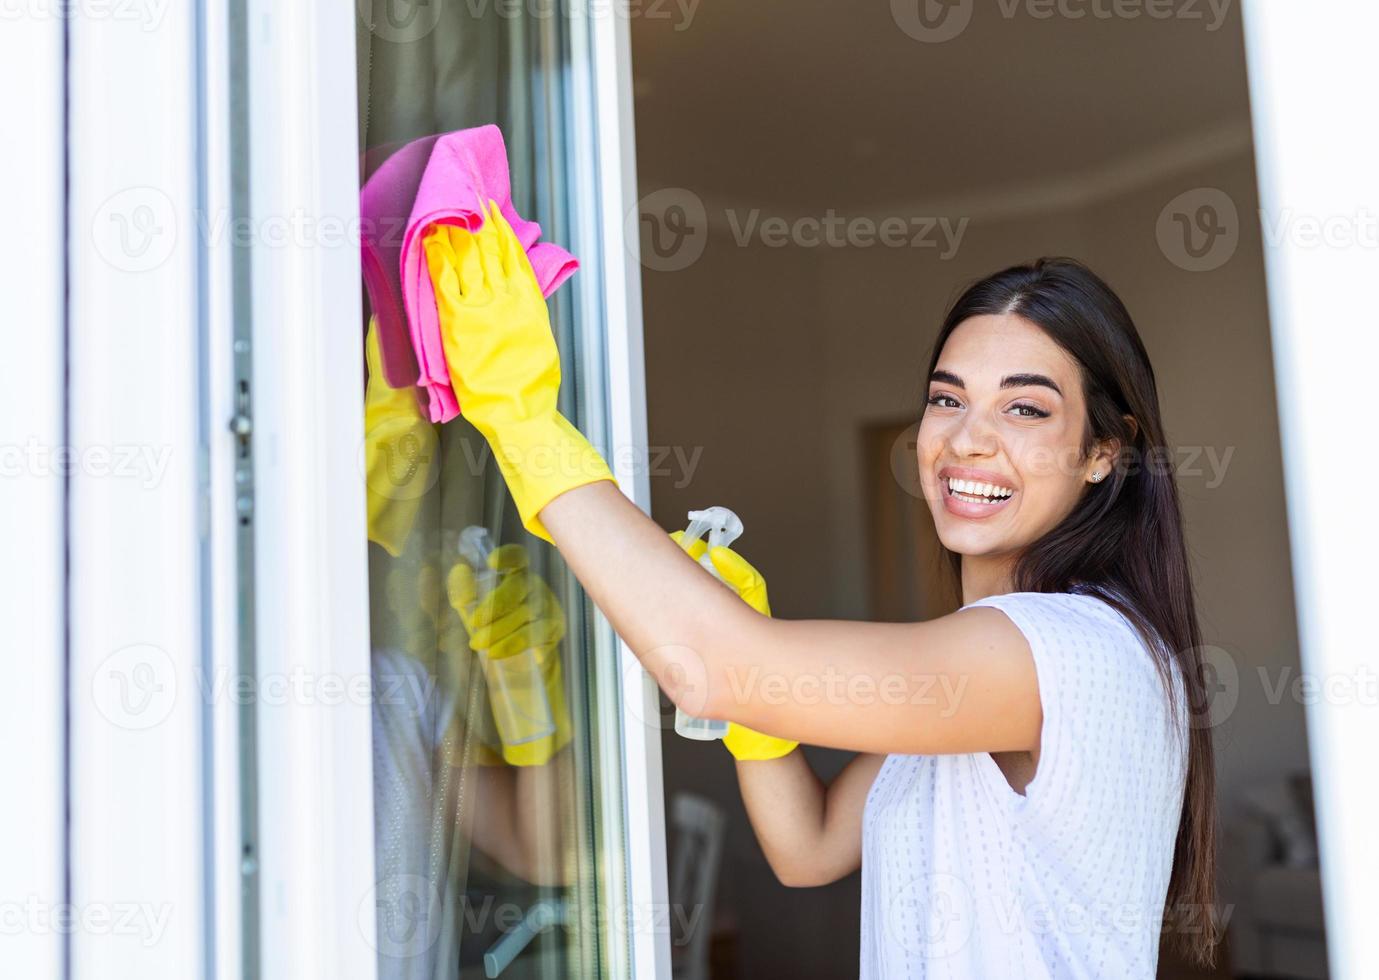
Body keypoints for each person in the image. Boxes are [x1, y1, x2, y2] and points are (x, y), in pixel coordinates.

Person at [425, 203, 1220, 976]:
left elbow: (709, 666)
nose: (968, 439)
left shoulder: (1059, 649)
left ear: (1104, 454)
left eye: (1025, 408)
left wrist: (524, 423)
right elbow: (807, 847)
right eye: (948, 398)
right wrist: (746, 676)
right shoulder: (995, 669)